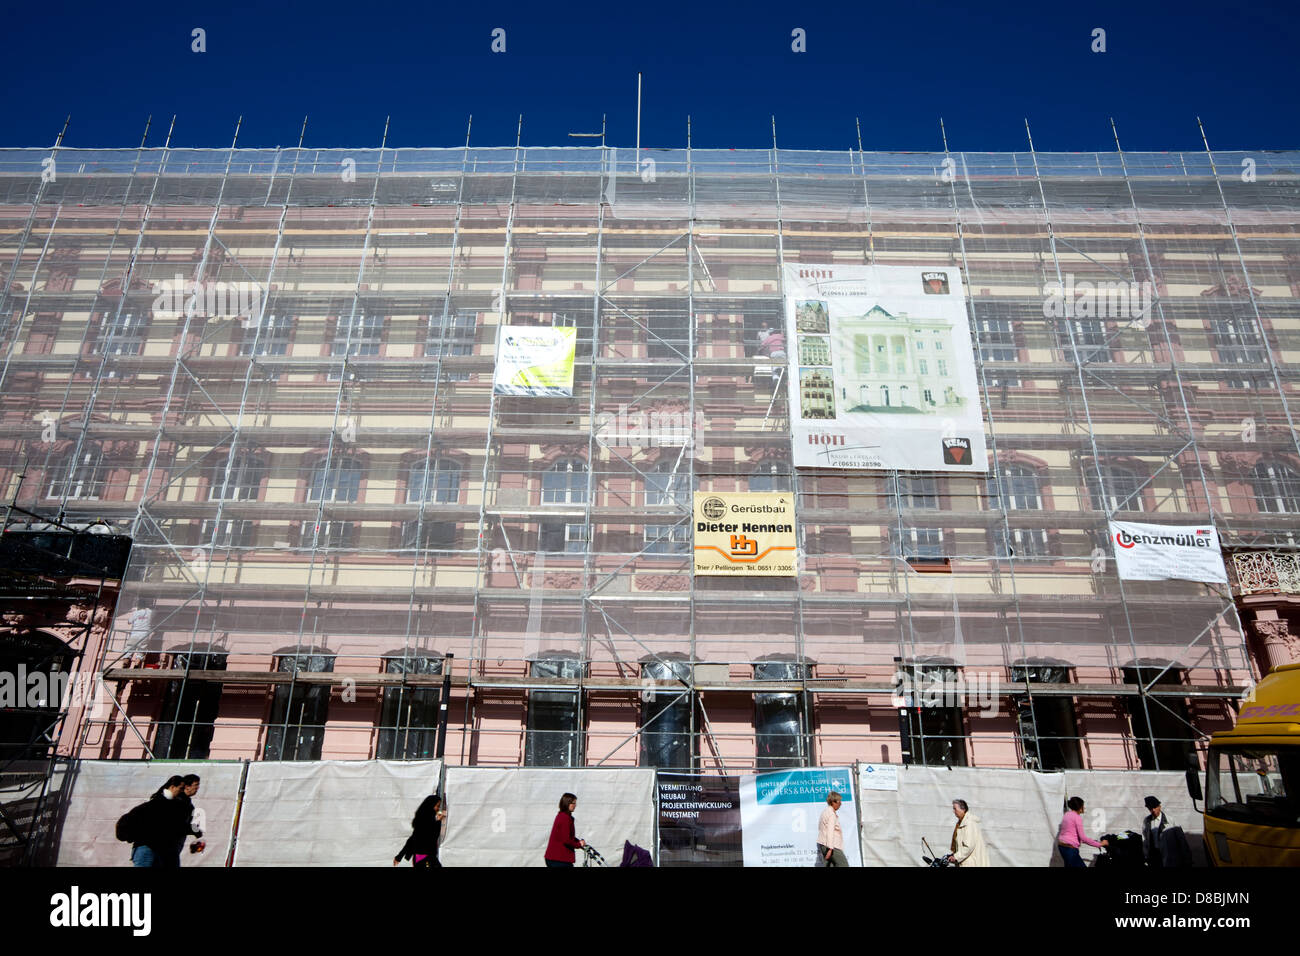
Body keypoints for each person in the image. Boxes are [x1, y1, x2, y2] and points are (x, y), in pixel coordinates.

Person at [128, 776, 198, 867]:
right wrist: (193, 830)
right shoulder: (163, 803)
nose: (181, 792)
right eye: (181, 789)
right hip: (150, 848)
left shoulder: (176, 803)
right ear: (172, 787)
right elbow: (174, 825)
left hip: (161, 849)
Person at [394, 793, 447, 868]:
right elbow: (432, 837)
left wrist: (399, 856)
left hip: (425, 857)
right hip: (424, 857)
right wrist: (438, 822)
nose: (438, 808)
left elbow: (413, 839)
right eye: (437, 806)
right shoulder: (426, 820)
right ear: (431, 806)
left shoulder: (426, 819)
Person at [1057, 796, 1107, 868]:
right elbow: (1083, 838)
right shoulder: (1077, 817)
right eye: (1083, 806)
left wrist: (1092, 841)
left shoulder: (1067, 814)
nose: (1084, 808)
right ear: (1080, 808)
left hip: (1062, 847)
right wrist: (1099, 844)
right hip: (1070, 849)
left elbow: (1071, 833)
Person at [544, 793, 585, 867]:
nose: (575, 805)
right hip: (558, 859)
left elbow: (567, 836)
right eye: (574, 803)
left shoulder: (562, 816)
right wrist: (578, 844)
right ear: (567, 803)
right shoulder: (565, 818)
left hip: (555, 858)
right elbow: (566, 840)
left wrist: (578, 841)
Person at [946, 799, 989, 867]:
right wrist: (954, 854)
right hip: (966, 861)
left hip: (971, 862)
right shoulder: (961, 823)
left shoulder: (969, 824)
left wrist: (956, 857)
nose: (953, 811)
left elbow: (968, 846)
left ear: (963, 809)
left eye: (955, 809)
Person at [815, 791, 848, 866]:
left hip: (824, 844)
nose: (840, 804)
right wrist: (830, 849)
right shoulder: (831, 814)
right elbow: (830, 832)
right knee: (844, 865)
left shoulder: (825, 812)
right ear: (833, 802)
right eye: (839, 801)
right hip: (832, 846)